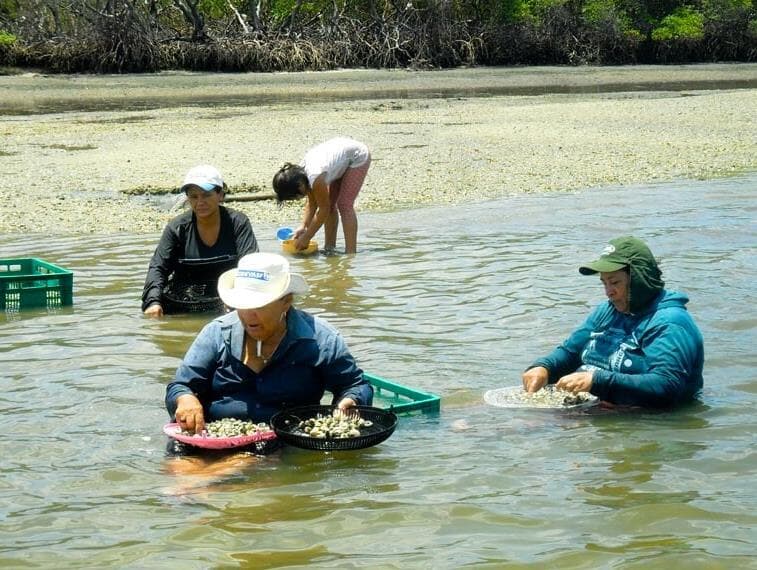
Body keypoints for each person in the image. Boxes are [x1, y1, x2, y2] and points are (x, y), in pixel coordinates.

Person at [165, 252, 373, 437]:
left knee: (229, 470)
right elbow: (180, 386)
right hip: (213, 437)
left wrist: (351, 401)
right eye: (242, 305)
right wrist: (185, 399)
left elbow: (356, 385)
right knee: (182, 473)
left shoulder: (320, 339)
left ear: (286, 301)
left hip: (286, 440)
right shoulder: (216, 333)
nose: (249, 315)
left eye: (259, 305)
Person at [522, 236, 704, 408]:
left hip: (642, 421)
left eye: (615, 282)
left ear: (639, 280)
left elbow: (666, 386)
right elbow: (571, 352)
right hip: (592, 406)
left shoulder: (669, 323)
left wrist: (596, 381)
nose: (608, 292)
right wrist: (544, 367)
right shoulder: (607, 311)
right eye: (604, 283)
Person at [142, 164, 258, 317]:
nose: (200, 202)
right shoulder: (177, 228)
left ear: (220, 195)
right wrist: (153, 302)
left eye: (206, 195)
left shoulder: (238, 223)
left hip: (227, 298)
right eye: (194, 196)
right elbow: (158, 268)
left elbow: (250, 263)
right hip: (182, 300)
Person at [272, 136, 371, 254]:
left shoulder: (314, 177)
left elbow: (323, 209)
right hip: (340, 158)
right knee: (331, 203)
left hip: (357, 157)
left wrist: (307, 237)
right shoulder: (298, 175)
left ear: (299, 186)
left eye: (295, 196)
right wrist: (303, 227)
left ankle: (351, 254)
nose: (298, 198)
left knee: (344, 204)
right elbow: (312, 203)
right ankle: (330, 249)